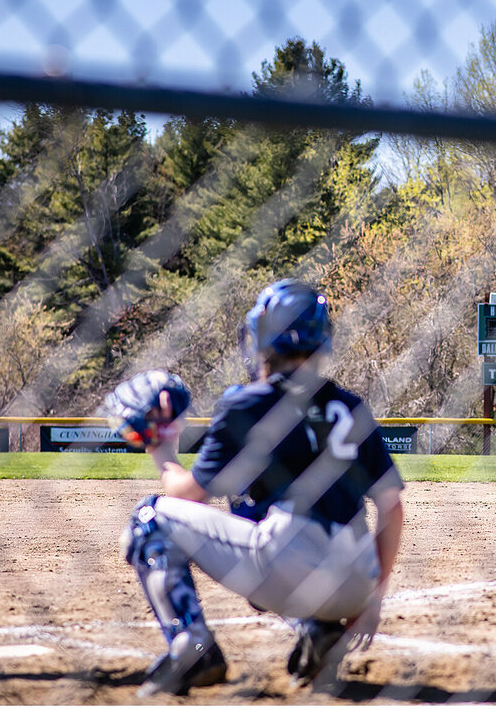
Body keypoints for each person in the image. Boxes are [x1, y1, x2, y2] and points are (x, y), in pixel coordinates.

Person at [104, 280, 405, 696]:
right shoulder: (351, 406)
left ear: (264, 338)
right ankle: (317, 628)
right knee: (253, 509)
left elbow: (187, 494)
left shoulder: (247, 403)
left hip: (287, 561)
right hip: (356, 580)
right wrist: (373, 597)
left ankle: (191, 646)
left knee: (148, 520)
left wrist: (162, 448)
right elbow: (392, 508)